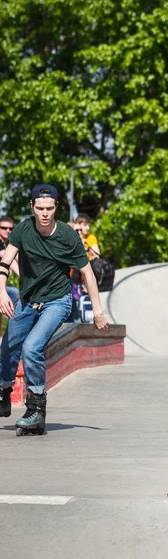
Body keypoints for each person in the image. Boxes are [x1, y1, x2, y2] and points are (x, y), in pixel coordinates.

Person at [0, 184, 109, 434]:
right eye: (40, 209)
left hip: (57, 301)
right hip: (27, 300)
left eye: (50, 209)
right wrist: (2, 291)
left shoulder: (68, 236)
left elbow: (88, 274)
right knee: (7, 348)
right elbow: (5, 262)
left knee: (31, 347)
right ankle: (3, 391)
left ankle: (36, 409)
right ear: (32, 207)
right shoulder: (23, 229)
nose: (45, 214)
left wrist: (98, 311)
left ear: (56, 208)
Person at [0, 216, 20, 307]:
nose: (8, 230)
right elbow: (6, 257)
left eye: (11, 228)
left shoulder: (9, 243)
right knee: (14, 293)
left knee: (14, 293)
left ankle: (12, 319)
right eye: (4, 228)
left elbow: (18, 256)